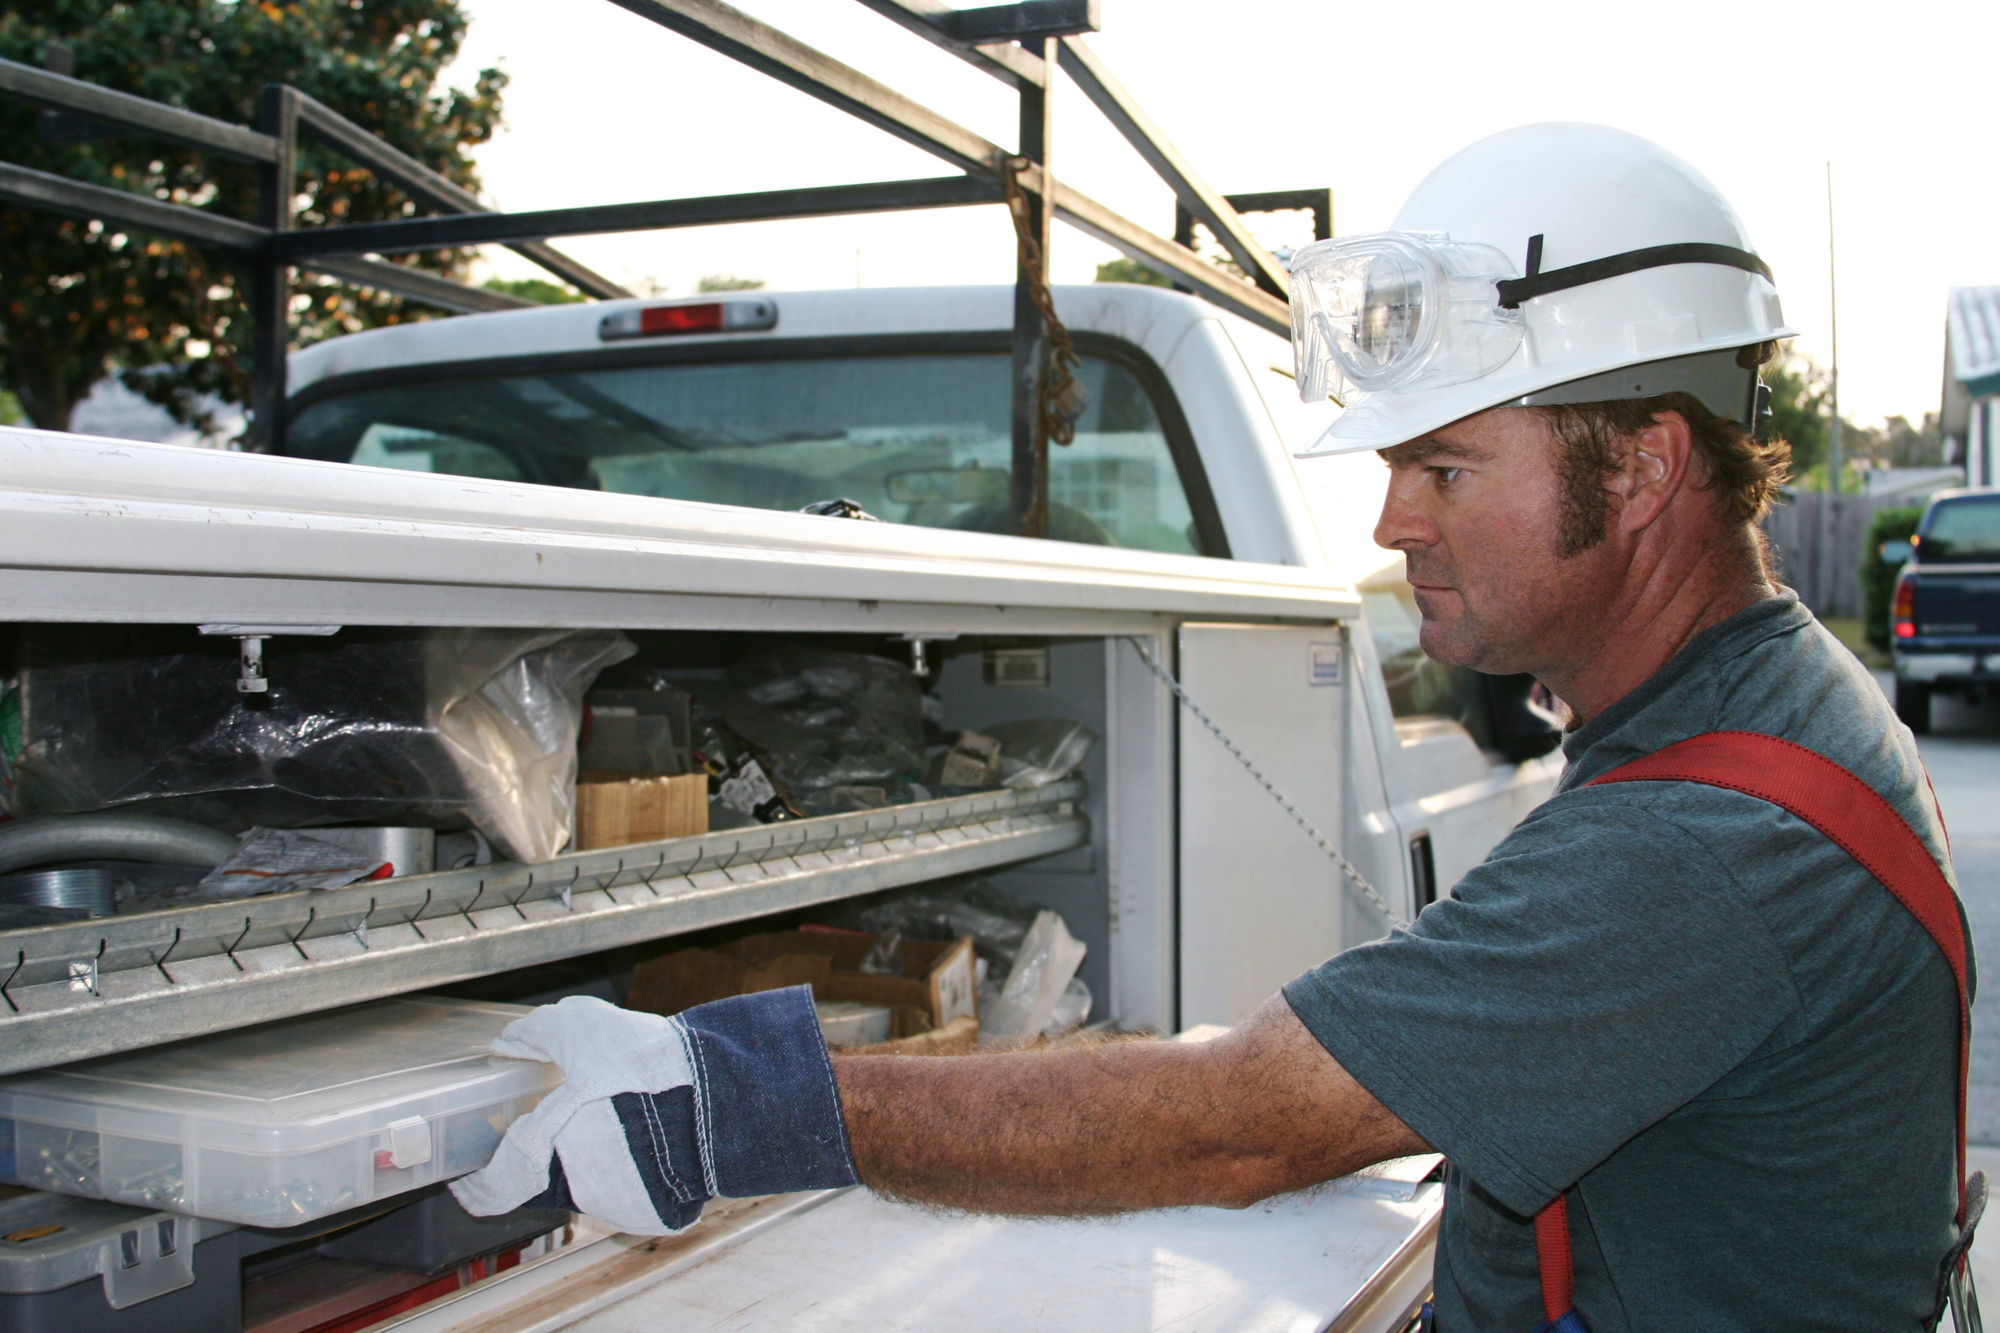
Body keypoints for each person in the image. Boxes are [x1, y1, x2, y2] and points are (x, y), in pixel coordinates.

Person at [452, 125, 1969, 1331]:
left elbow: (1241, 1124)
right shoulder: (1752, 707)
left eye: (1446, 468)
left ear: (1640, 469)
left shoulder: (1703, 842)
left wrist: (732, 1100)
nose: (1392, 519)